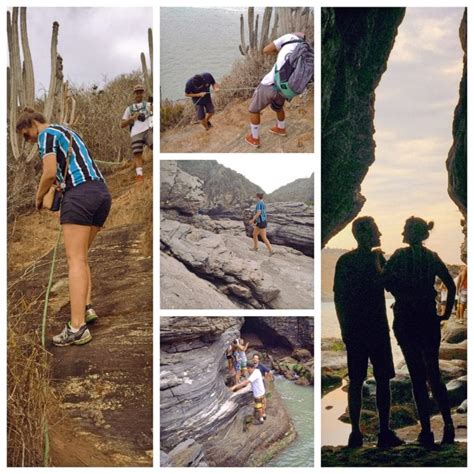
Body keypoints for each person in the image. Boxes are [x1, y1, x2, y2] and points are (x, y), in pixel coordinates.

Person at [16, 107, 112, 347]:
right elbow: (62, 172)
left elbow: (48, 173)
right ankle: (87, 307)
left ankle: (77, 328)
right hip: (101, 194)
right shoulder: (67, 132)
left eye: (26, 136)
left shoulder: (45, 135)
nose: (28, 142)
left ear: (32, 125)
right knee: (82, 258)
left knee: (75, 261)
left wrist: (38, 198)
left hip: (80, 196)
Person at [384, 217, 456, 448]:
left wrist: (400, 292)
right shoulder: (431, 257)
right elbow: (451, 285)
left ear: (410, 233)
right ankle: (449, 425)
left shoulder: (399, 256)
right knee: (434, 373)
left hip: (406, 318)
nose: (403, 231)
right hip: (428, 318)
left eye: (405, 228)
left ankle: (426, 431)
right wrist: (445, 314)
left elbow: (384, 281)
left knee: (417, 375)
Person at [334, 216, 403, 449]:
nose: (380, 234)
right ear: (365, 234)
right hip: (374, 328)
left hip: (356, 329)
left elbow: (338, 299)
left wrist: (344, 328)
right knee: (380, 380)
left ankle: (357, 434)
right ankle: (382, 432)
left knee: (357, 381)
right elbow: (393, 287)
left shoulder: (346, 261)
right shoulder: (374, 259)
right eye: (376, 230)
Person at [245, 32, 305, 148]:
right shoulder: (305, 49)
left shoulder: (289, 37)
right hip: (286, 88)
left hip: (270, 83)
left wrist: (279, 52)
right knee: (278, 107)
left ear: (296, 34)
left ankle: (255, 138)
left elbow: (266, 50)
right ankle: (281, 128)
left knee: (253, 110)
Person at [121, 84, 153, 183]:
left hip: (148, 130)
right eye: (137, 92)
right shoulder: (129, 109)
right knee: (137, 154)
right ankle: (139, 175)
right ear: (134, 94)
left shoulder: (148, 105)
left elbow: (153, 114)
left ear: (143, 93)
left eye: (140, 92)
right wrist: (131, 118)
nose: (138, 94)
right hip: (135, 133)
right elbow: (122, 124)